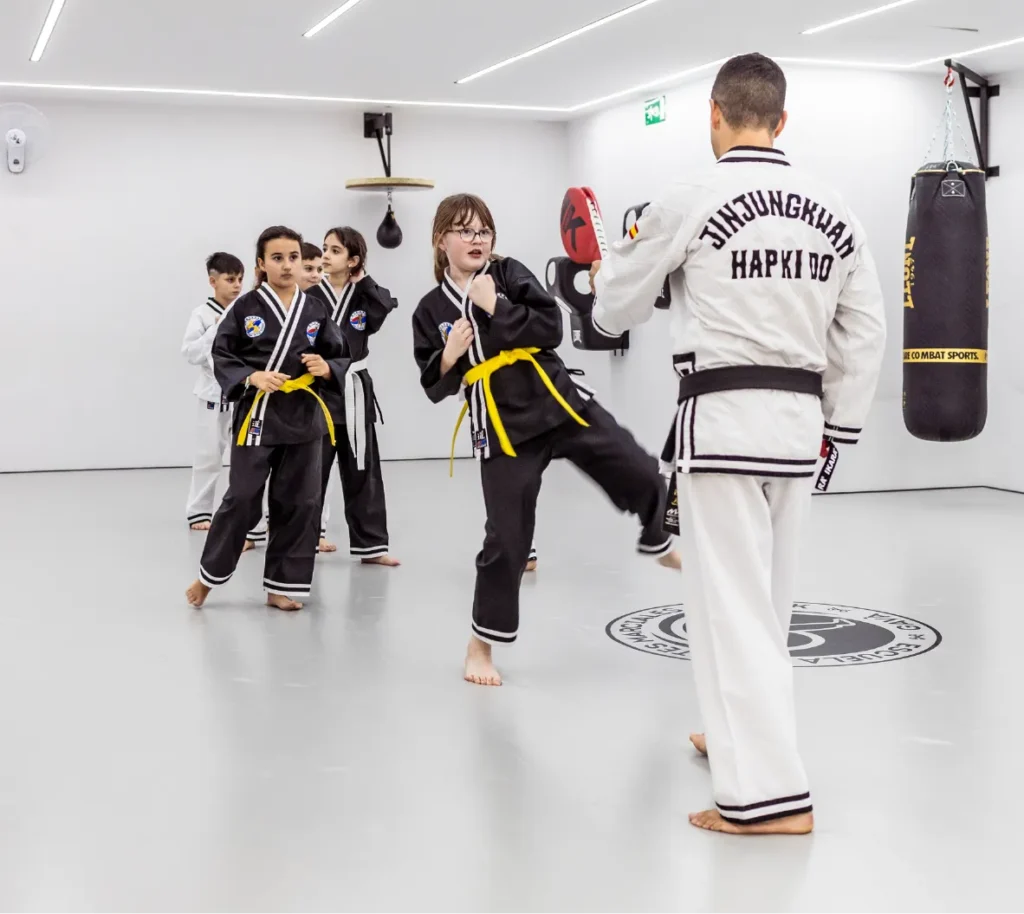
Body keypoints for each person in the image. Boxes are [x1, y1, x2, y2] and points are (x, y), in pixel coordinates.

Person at [590, 53, 886, 835]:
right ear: (781, 121)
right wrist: (839, 426)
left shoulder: (690, 195)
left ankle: (766, 802)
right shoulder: (835, 206)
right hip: (799, 429)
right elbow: (866, 329)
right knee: (768, 605)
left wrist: (609, 271)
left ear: (714, 114)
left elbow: (615, 310)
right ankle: (734, 740)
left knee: (730, 610)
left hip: (723, 426)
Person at [412, 193, 681, 687]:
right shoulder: (430, 309)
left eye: (484, 230)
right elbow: (434, 386)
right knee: (507, 539)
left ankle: (658, 537)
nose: (477, 239)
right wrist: (449, 356)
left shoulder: (507, 273)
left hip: (556, 400)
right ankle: (480, 647)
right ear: (440, 239)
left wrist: (495, 305)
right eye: (465, 230)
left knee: (637, 465)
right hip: (502, 426)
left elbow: (551, 327)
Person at [185, 226, 350, 611]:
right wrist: (251, 376)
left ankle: (281, 586)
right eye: (277, 258)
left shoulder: (314, 309)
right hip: (258, 414)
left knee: (300, 501)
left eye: (294, 257)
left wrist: (326, 367)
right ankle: (208, 577)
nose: (287, 265)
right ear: (261, 263)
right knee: (242, 497)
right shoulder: (244, 308)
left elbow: (339, 353)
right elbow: (222, 354)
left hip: (303, 416)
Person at [307, 227, 400, 566]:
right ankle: (304, 540)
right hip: (319, 391)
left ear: (353, 260)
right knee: (311, 470)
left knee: (362, 468)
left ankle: (372, 547)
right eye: (325, 248)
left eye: (335, 250)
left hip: (356, 389)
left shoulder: (364, 295)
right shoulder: (310, 295)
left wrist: (363, 279)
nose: (326, 255)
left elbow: (384, 307)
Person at [182, 253, 244, 531]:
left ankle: (254, 515)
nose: (237, 285)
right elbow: (191, 353)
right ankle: (199, 511)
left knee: (249, 458)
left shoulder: (246, 311)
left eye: (240, 279)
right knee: (208, 456)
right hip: (211, 394)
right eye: (230, 279)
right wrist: (215, 330)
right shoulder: (201, 314)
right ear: (213, 281)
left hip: (243, 394)